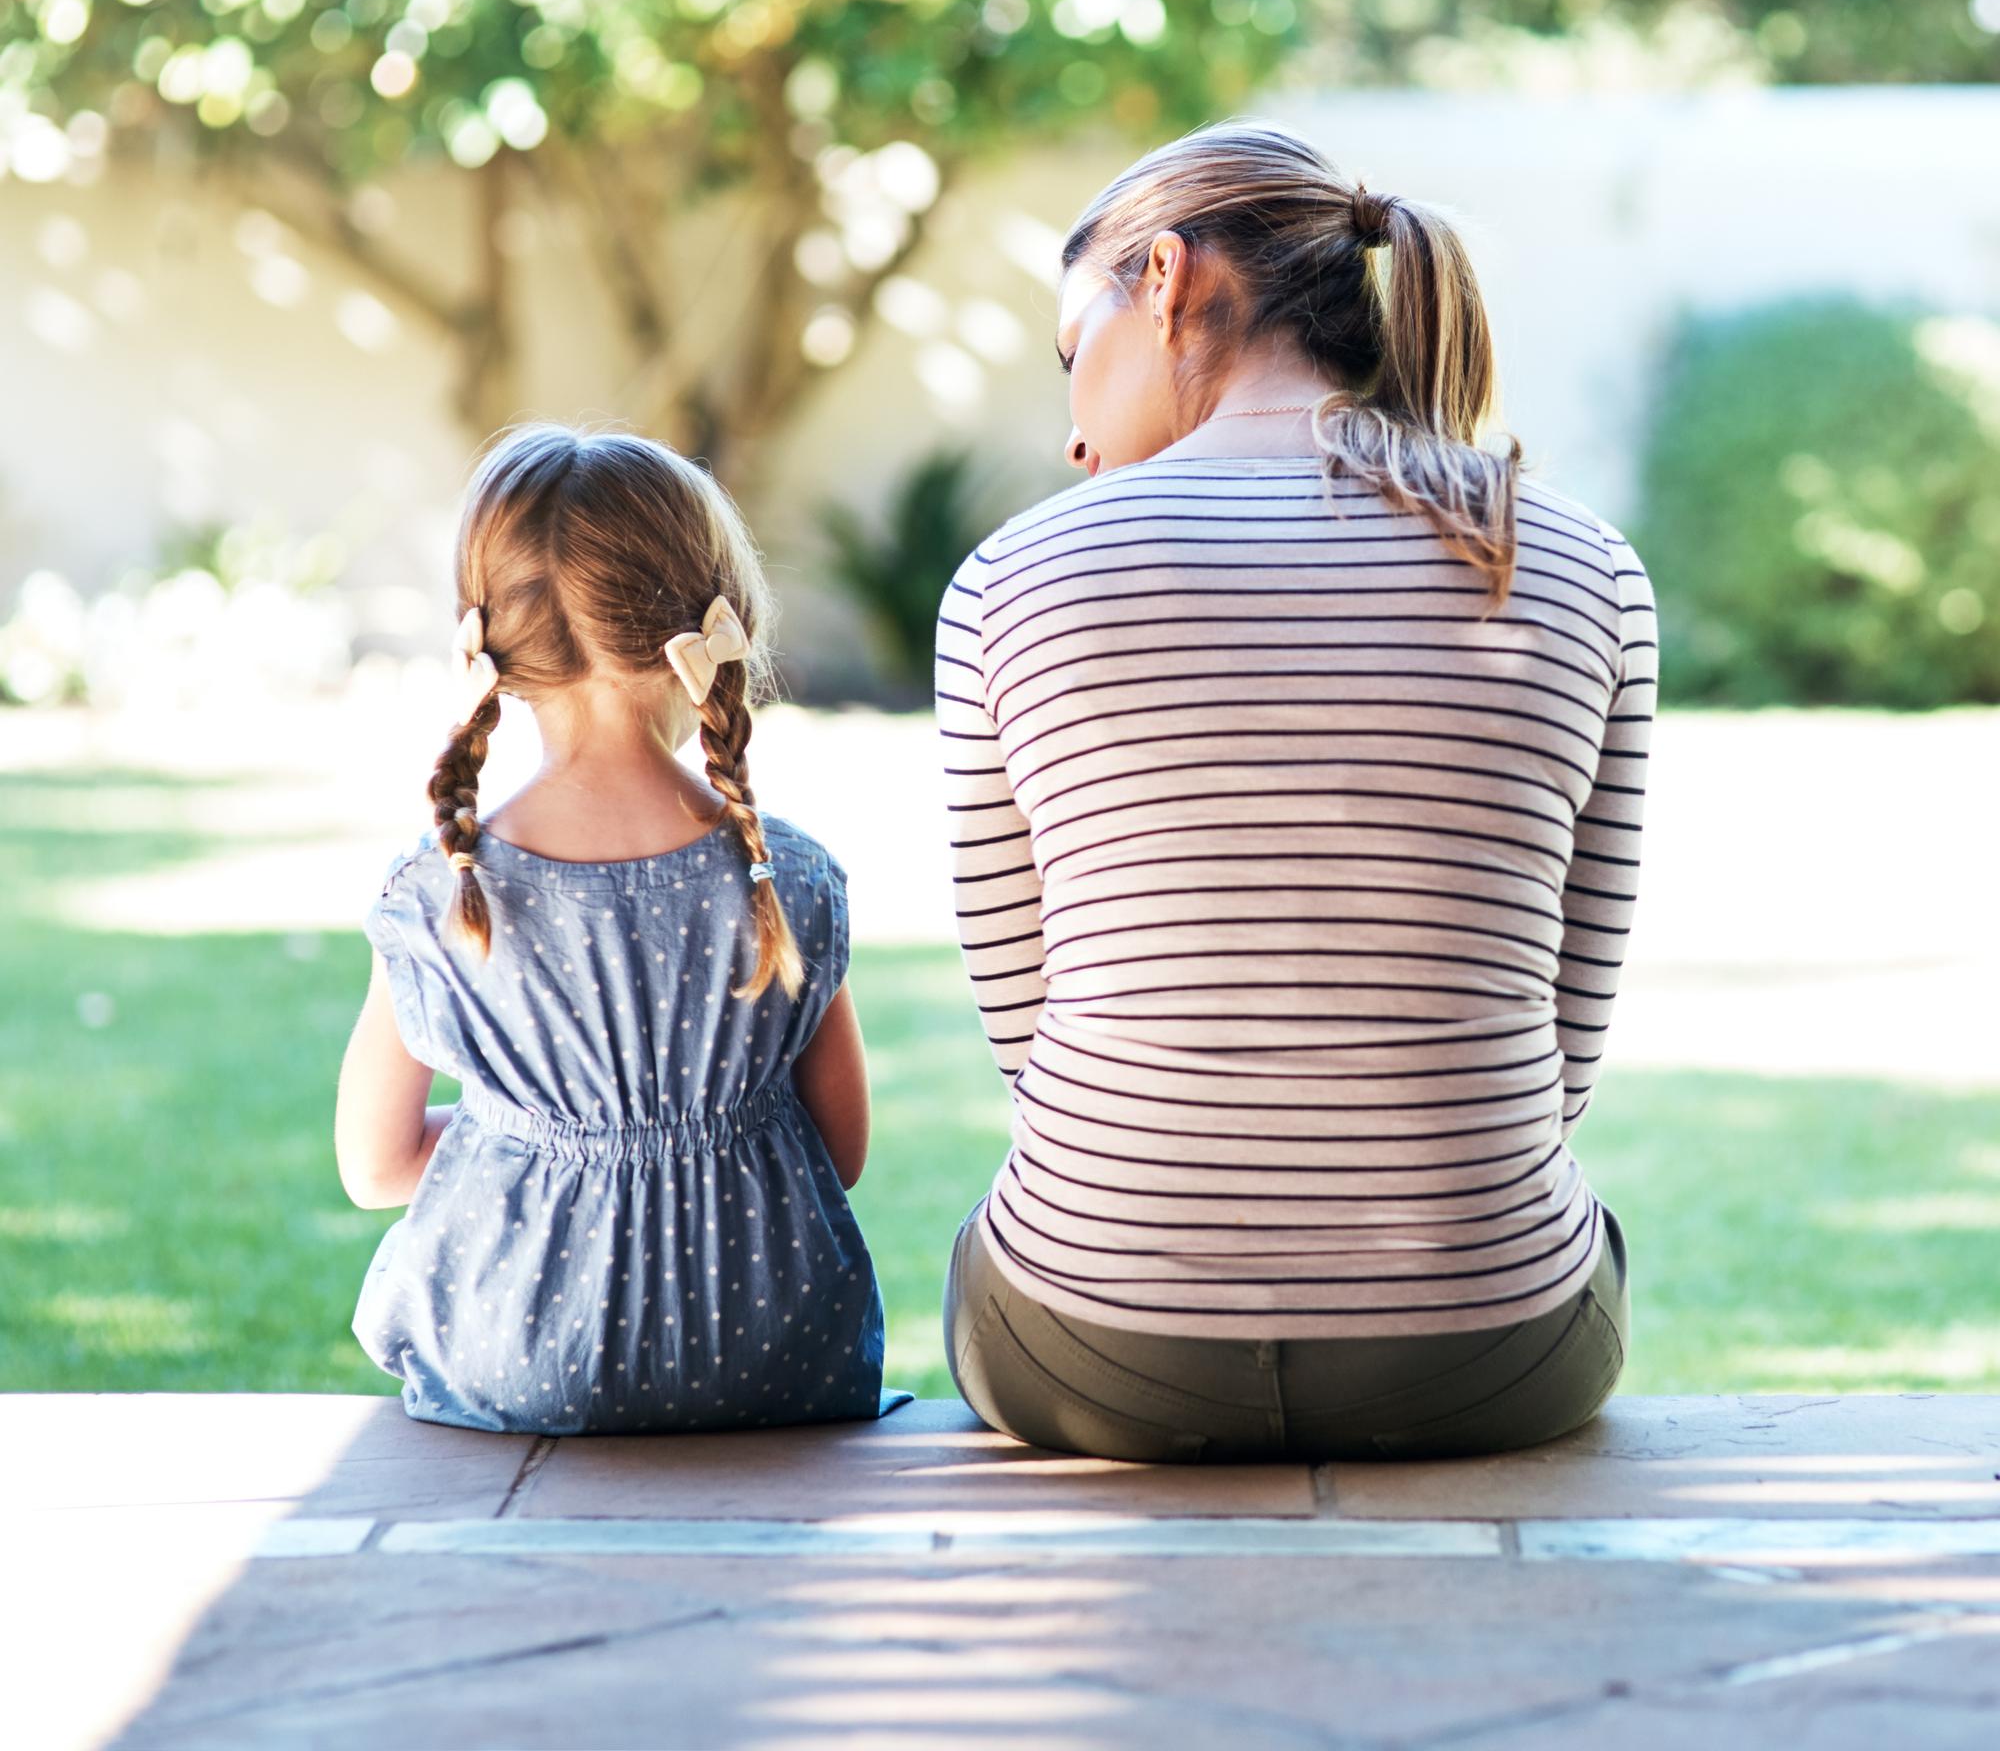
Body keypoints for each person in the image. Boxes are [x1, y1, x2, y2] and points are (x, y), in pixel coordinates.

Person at [935, 121, 1657, 1462]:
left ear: (1164, 279)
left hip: (1098, 1352)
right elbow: (1564, 1039)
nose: (1073, 431)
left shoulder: (1011, 580)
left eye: (1068, 352)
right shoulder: (1577, 564)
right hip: (1488, 1352)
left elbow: (1031, 1040)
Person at [336, 420, 908, 1435]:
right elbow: (842, 1148)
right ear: (710, 615)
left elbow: (373, 1165)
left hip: (517, 1359)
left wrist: (531, 1136)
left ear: (492, 646)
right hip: (771, 1353)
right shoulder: (791, 876)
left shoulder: (443, 888)